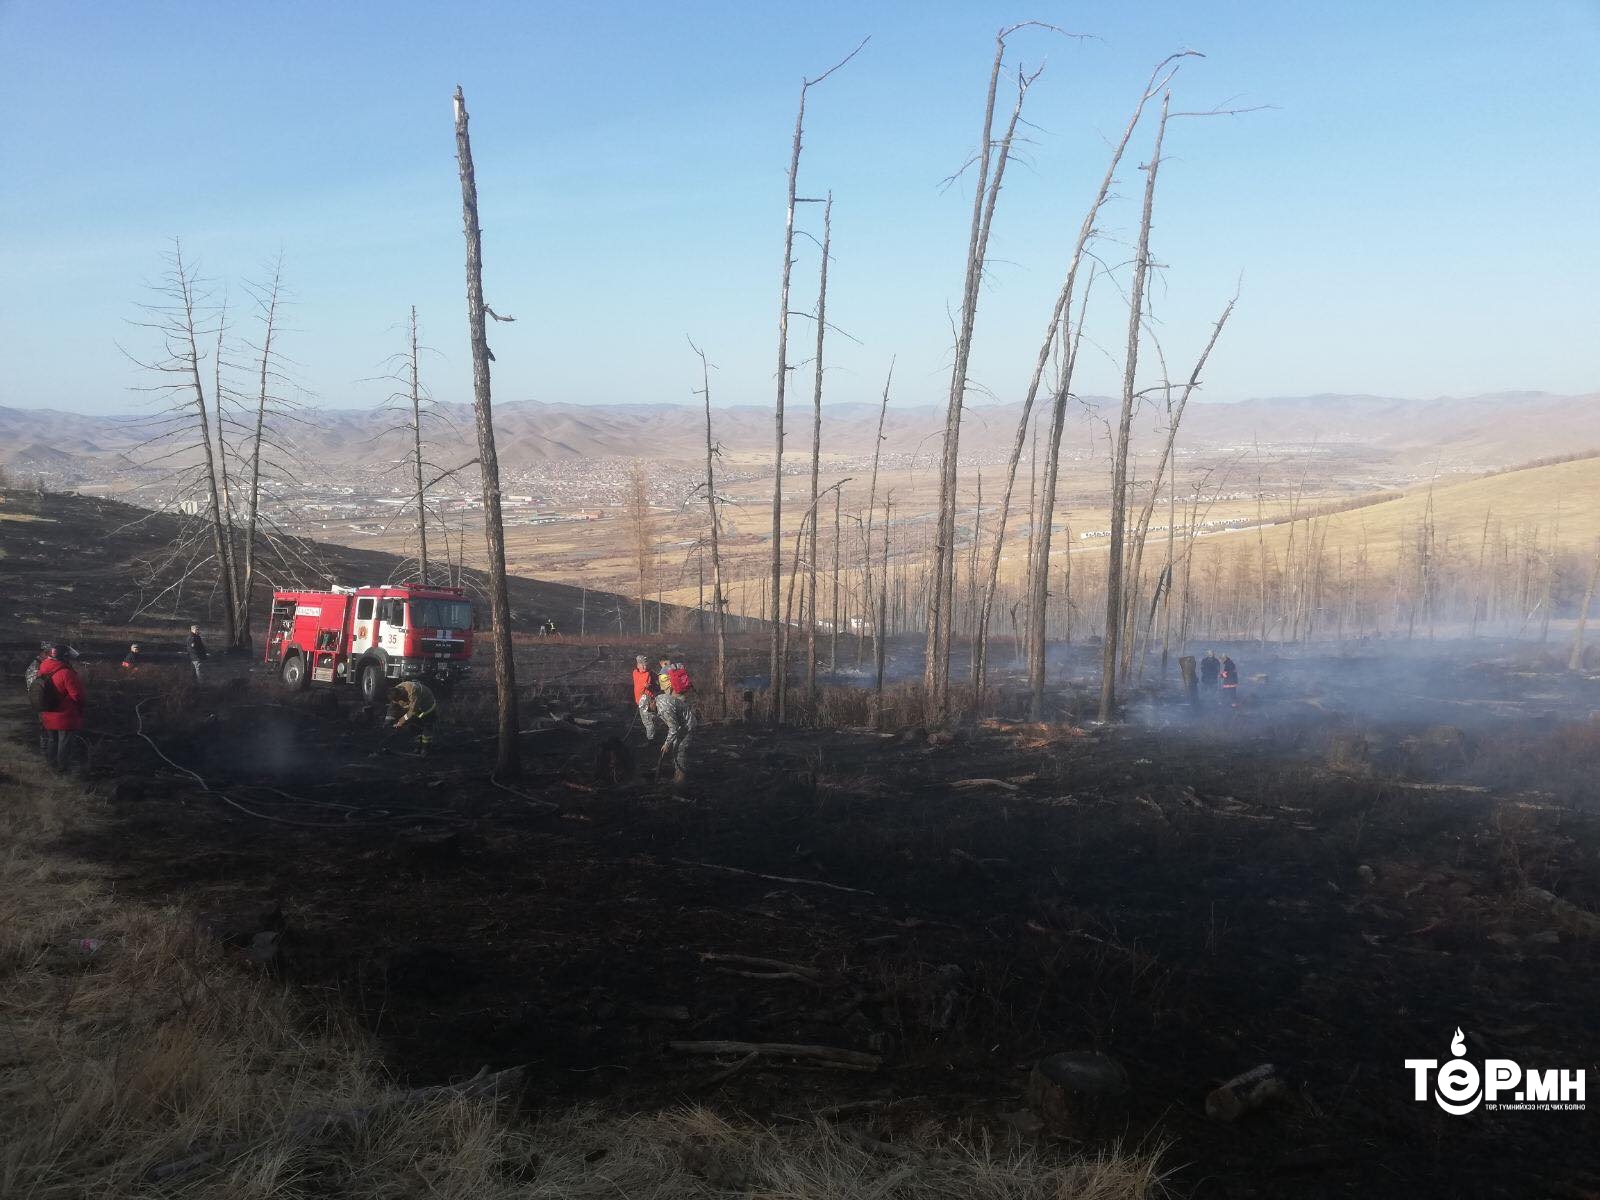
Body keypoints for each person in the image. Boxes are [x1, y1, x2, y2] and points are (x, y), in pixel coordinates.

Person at [34, 644, 85, 772]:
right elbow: (77, 695)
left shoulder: (43, 667)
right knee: (64, 743)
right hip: (65, 715)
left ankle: (51, 766)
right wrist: (81, 707)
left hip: (47, 712)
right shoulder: (66, 673)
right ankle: (62, 770)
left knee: (52, 740)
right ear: (65, 657)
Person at [654, 656, 696, 784]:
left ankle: (680, 778)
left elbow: (665, 690)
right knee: (678, 742)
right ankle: (678, 773)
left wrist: (666, 743)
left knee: (679, 746)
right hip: (682, 699)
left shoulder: (663, 673)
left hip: (675, 703)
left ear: (661, 662)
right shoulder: (676, 668)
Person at [384, 680, 438, 754]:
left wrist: (401, 721)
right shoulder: (395, 691)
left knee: (427, 727)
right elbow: (393, 706)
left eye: (399, 699)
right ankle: (418, 746)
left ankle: (426, 748)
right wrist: (388, 721)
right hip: (416, 710)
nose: (399, 701)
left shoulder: (413, 691)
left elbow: (412, 711)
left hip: (427, 708)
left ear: (401, 694)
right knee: (415, 727)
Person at [632, 654, 659, 742]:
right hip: (640, 701)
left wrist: (650, 686)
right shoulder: (635, 673)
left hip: (648, 701)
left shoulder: (651, 674)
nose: (644, 667)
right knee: (647, 721)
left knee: (649, 721)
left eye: (646, 665)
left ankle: (651, 740)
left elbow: (658, 687)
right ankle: (652, 737)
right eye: (642, 665)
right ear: (638, 665)